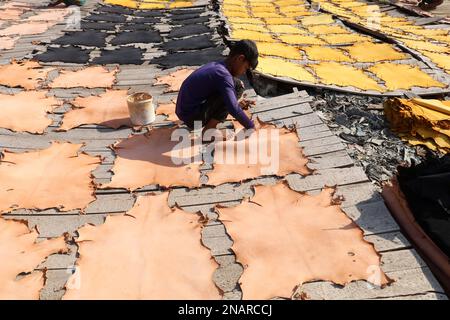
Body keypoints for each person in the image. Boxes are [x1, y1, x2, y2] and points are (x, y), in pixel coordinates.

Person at [175, 40, 258, 138]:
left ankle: (231, 102)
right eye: (245, 68)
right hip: (192, 117)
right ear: (240, 59)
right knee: (230, 95)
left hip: (184, 111)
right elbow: (233, 109)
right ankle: (208, 132)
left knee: (238, 85)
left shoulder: (219, 66)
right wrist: (251, 126)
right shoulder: (223, 76)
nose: (244, 72)